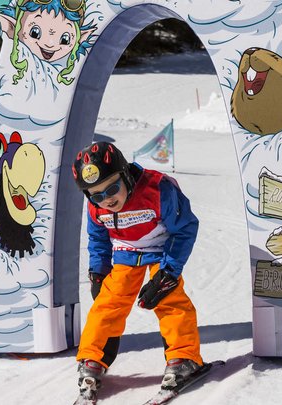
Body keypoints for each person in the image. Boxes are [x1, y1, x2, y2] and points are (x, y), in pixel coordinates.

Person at [71, 141, 203, 401]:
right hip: (126, 253)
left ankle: (184, 357)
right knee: (108, 303)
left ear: (125, 174)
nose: (107, 199)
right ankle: (92, 360)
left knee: (169, 299)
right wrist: (98, 272)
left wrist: (168, 273)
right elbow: (97, 238)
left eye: (112, 188)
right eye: (97, 195)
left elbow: (185, 228)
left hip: (162, 249)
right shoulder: (95, 206)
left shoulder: (158, 189)